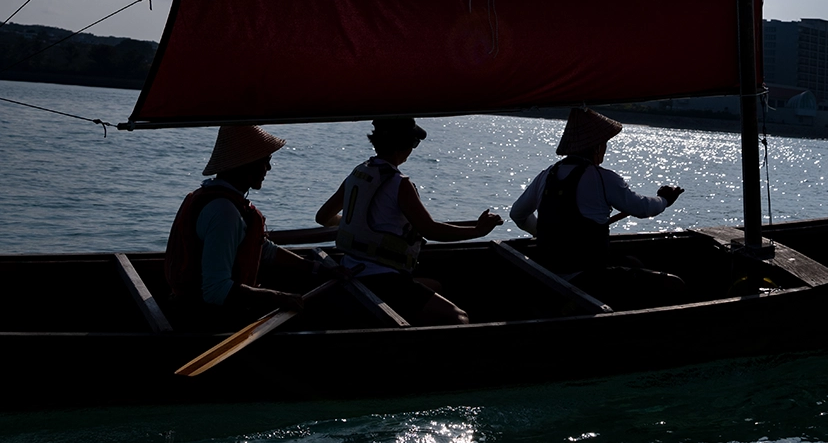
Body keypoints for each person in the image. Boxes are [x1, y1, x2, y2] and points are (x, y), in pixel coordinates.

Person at [315, 115, 502, 326]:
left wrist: (358, 224)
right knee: (458, 317)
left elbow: (323, 217)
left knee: (435, 287)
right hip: (381, 278)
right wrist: (478, 232)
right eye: (414, 143)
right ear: (403, 145)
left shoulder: (359, 173)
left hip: (351, 268)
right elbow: (431, 231)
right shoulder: (399, 183)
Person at [509, 107, 686, 308]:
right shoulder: (602, 177)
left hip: (548, 272)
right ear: (596, 147)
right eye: (604, 144)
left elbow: (517, 214)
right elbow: (642, 208)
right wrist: (663, 200)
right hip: (584, 277)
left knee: (632, 262)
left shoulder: (545, 175)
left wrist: (541, 232)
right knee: (674, 284)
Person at [164, 124, 315, 329]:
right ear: (247, 164)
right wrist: (279, 297)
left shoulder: (215, 199)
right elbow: (216, 290)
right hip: (207, 319)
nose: (268, 169)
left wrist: (314, 268)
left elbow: (263, 249)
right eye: (265, 161)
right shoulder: (224, 212)